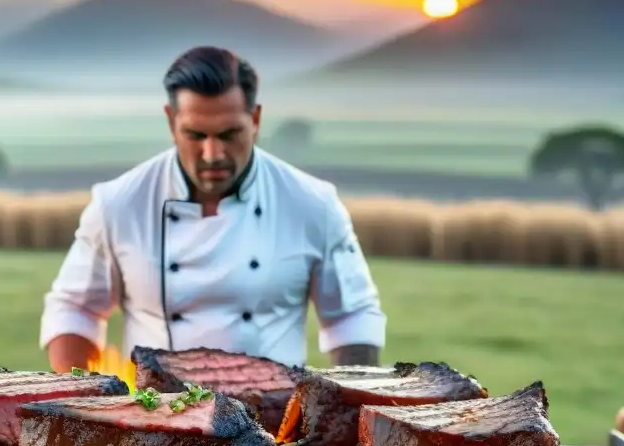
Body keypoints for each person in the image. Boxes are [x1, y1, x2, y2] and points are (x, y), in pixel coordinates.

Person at [41, 46, 386, 371]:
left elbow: (352, 318)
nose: (213, 154)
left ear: (256, 118)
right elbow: (74, 309)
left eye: (228, 134)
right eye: (195, 135)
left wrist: (345, 412)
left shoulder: (313, 204)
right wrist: (84, 403)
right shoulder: (119, 203)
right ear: (170, 121)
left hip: (275, 426)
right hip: (154, 420)